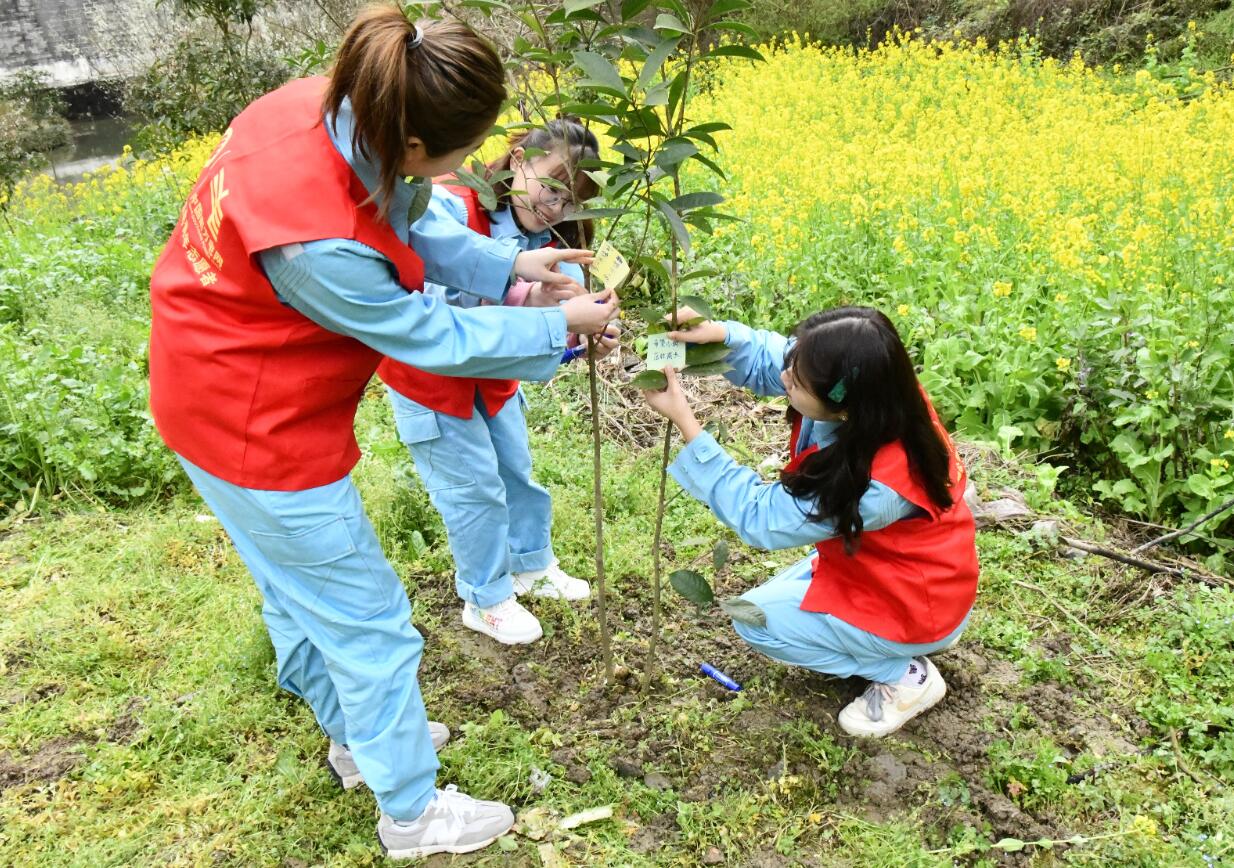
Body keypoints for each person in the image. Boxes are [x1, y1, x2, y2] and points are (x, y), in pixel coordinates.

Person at [147, 7, 617, 860]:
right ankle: (411, 814)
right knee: (367, 620)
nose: (466, 167)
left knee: (299, 594)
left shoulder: (329, 106)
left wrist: (508, 264)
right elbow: (425, 334)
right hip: (253, 425)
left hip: (202, 387)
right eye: (454, 153)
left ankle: (361, 741)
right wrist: (559, 326)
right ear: (408, 141)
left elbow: (415, 213)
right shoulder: (318, 245)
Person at [641, 307, 977, 738]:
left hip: (914, 603)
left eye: (796, 383)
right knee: (767, 602)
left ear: (840, 408)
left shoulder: (875, 486)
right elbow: (780, 358)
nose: (785, 379)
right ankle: (895, 640)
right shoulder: (876, 390)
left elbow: (761, 517)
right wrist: (722, 336)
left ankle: (904, 672)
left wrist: (686, 422)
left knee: (755, 619)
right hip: (899, 572)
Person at [378, 119, 619, 645]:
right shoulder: (444, 205)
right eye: (552, 187)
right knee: (473, 490)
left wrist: (585, 341)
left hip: (494, 379)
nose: (555, 209)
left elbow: (560, 331)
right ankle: (485, 597)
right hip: (432, 380)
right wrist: (528, 304)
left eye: (570, 201)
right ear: (516, 160)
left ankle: (531, 564)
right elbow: (430, 302)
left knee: (516, 471)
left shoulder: (553, 240)